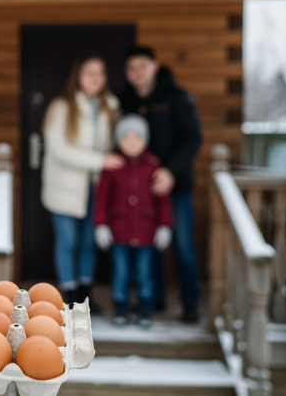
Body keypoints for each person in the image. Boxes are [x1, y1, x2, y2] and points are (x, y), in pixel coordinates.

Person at [119, 46, 203, 323]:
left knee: (181, 244)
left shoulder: (177, 98)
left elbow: (193, 139)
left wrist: (170, 172)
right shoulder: (126, 102)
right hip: (141, 191)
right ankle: (154, 300)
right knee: (148, 244)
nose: (137, 72)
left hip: (175, 186)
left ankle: (190, 303)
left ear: (154, 66)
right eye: (132, 68)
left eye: (142, 66)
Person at [41, 54, 122, 311]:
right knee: (68, 241)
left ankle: (85, 297)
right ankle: (70, 296)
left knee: (89, 243)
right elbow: (59, 149)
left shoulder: (111, 105)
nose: (95, 78)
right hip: (64, 188)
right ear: (78, 76)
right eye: (89, 72)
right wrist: (100, 161)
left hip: (96, 188)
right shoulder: (62, 106)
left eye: (100, 72)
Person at [94, 115, 173, 329]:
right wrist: (101, 225)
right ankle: (121, 309)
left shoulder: (153, 167)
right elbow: (101, 199)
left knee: (145, 274)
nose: (131, 141)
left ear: (145, 140)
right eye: (126, 137)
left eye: (136, 137)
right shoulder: (112, 167)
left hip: (146, 234)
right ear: (119, 141)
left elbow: (163, 201)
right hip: (119, 233)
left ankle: (145, 310)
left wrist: (165, 226)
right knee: (120, 273)